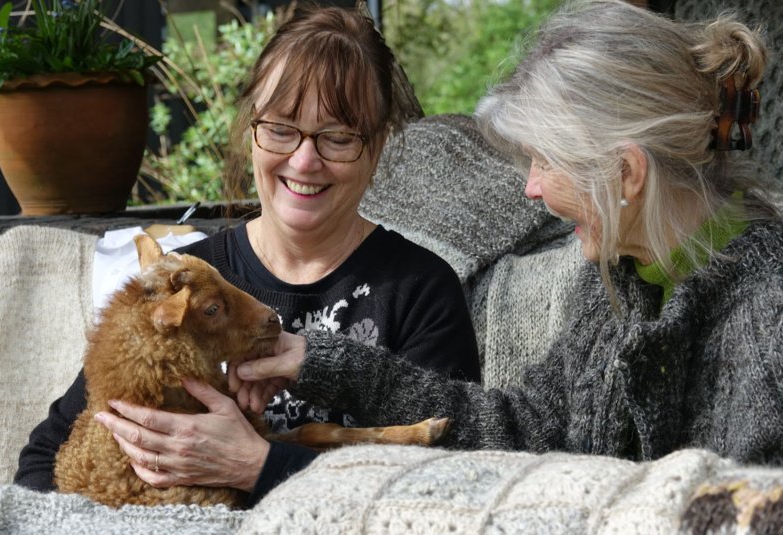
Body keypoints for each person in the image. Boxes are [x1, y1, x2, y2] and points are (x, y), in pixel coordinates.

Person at [223, 0, 783, 493]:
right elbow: (522, 432)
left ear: (626, 173)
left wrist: (264, 464)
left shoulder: (767, 317)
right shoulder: (622, 276)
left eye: (544, 160)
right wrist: (320, 362)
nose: (530, 188)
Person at [14, 5, 480, 507]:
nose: (304, 160)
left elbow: (450, 485)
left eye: (338, 137)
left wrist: (258, 466)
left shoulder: (419, 290)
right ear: (251, 128)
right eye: (281, 128)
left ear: (378, 144)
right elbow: (39, 468)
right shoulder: (187, 285)